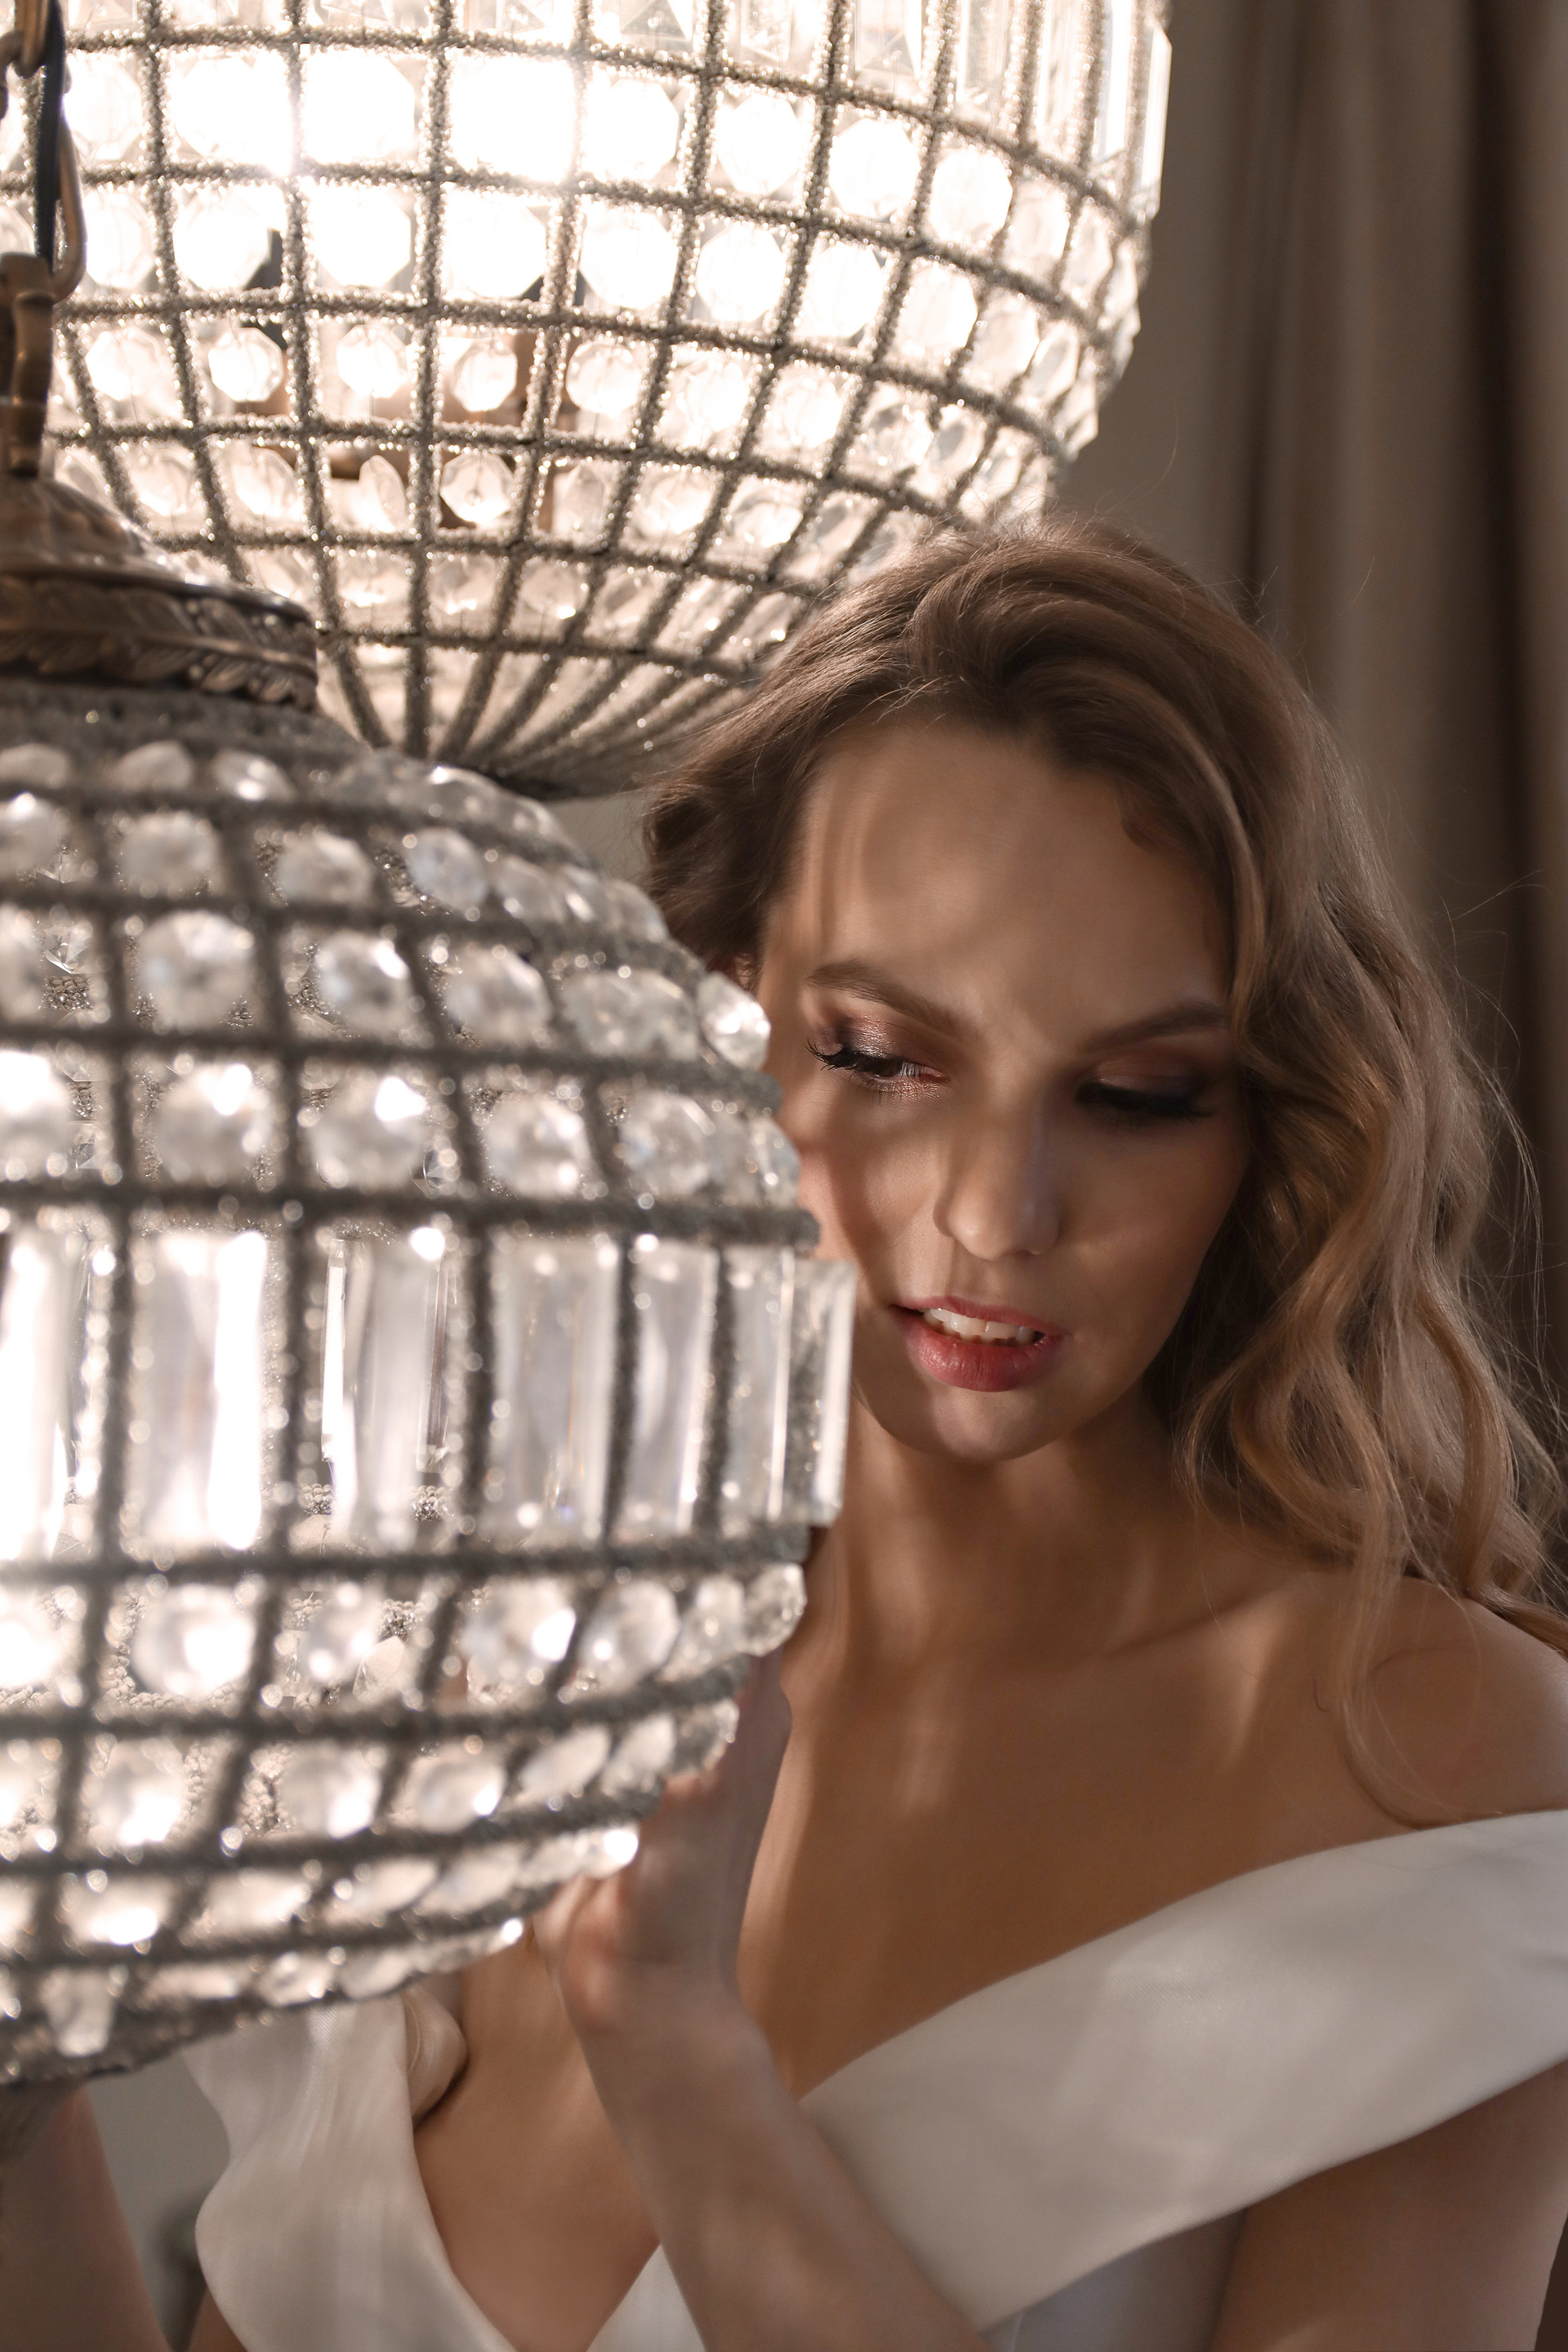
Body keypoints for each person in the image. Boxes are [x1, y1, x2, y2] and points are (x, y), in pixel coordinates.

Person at [6, 519, 1568, 2352]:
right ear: (715, 1014)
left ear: (1268, 1120)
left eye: (1137, 1094)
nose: (995, 1213)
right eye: (883, 1058)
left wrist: (678, 2054)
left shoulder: (1435, 1765)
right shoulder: (487, 1651)